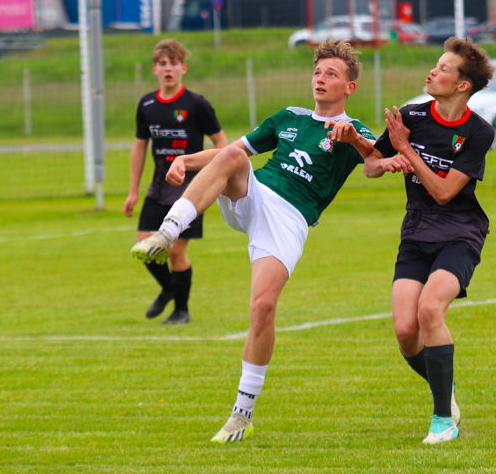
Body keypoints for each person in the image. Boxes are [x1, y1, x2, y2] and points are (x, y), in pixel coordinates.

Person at [131, 38, 379, 443]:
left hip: (289, 221)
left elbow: (377, 163)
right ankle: (168, 230)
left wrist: (354, 139)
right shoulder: (288, 117)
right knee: (234, 156)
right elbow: (232, 150)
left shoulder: (354, 130)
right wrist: (183, 160)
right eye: (317, 72)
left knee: (263, 308)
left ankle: (241, 414)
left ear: (349, 86)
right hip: (254, 194)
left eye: (331, 74)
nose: (320, 79)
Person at [364, 36, 495, 444]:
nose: (432, 71)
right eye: (434, 65)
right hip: (417, 230)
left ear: (462, 85)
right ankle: (446, 389)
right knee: (405, 331)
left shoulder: (479, 132)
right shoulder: (411, 114)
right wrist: (385, 159)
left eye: (442, 69)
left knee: (430, 310)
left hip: (460, 231)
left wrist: (406, 149)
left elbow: (443, 192)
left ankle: (442, 420)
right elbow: (369, 164)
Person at [123, 39, 228, 324]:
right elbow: (139, 146)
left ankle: (182, 311)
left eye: (173, 63)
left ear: (183, 68)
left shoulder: (196, 104)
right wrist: (133, 190)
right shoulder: (146, 104)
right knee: (143, 246)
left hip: (190, 189)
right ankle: (170, 289)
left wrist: (208, 175)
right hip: (158, 188)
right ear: (154, 69)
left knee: (175, 251)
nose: (167, 68)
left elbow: (222, 145)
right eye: (162, 64)